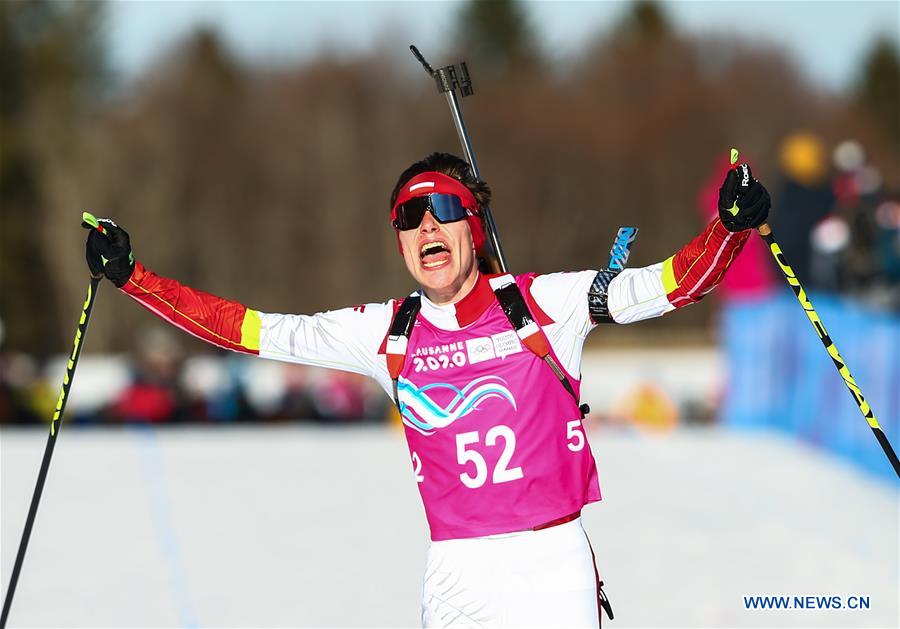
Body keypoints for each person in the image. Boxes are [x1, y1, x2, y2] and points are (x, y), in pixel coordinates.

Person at [84, 152, 770, 627]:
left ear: (473, 224)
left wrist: (730, 225)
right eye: (409, 219)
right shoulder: (388, 331)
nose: (426, 227)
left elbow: (671, 283)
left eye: (444, 209)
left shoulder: (545, 303)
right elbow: (254, 330)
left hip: (550, 560)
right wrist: (134, 277)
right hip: (457, 571)